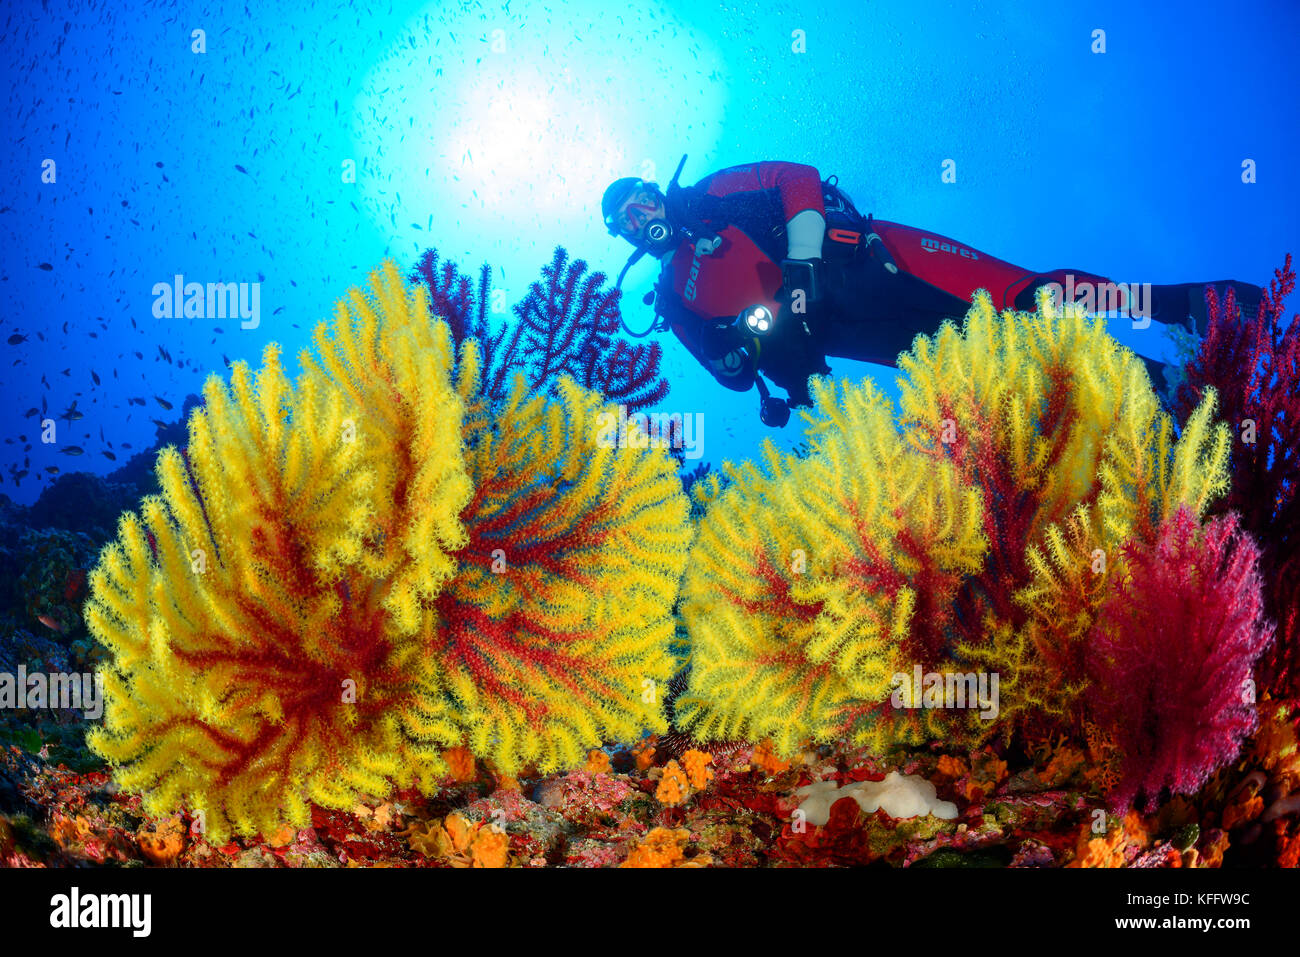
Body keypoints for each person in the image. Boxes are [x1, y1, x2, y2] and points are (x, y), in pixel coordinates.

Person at [602, 158, 1265, 426]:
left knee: (1024, 298)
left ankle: (1185, 305)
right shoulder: (674, 300)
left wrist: (801, 262)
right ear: (624, 235)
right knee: (1010, 359)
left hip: (873, 259)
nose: (643, 215)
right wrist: (747, 355)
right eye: (627, 220)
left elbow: (796, 177)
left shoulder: (711, 193)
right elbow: (733, 381)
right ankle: (1163, 387)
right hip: (851, 334)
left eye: (641, 198)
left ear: (656, 190)